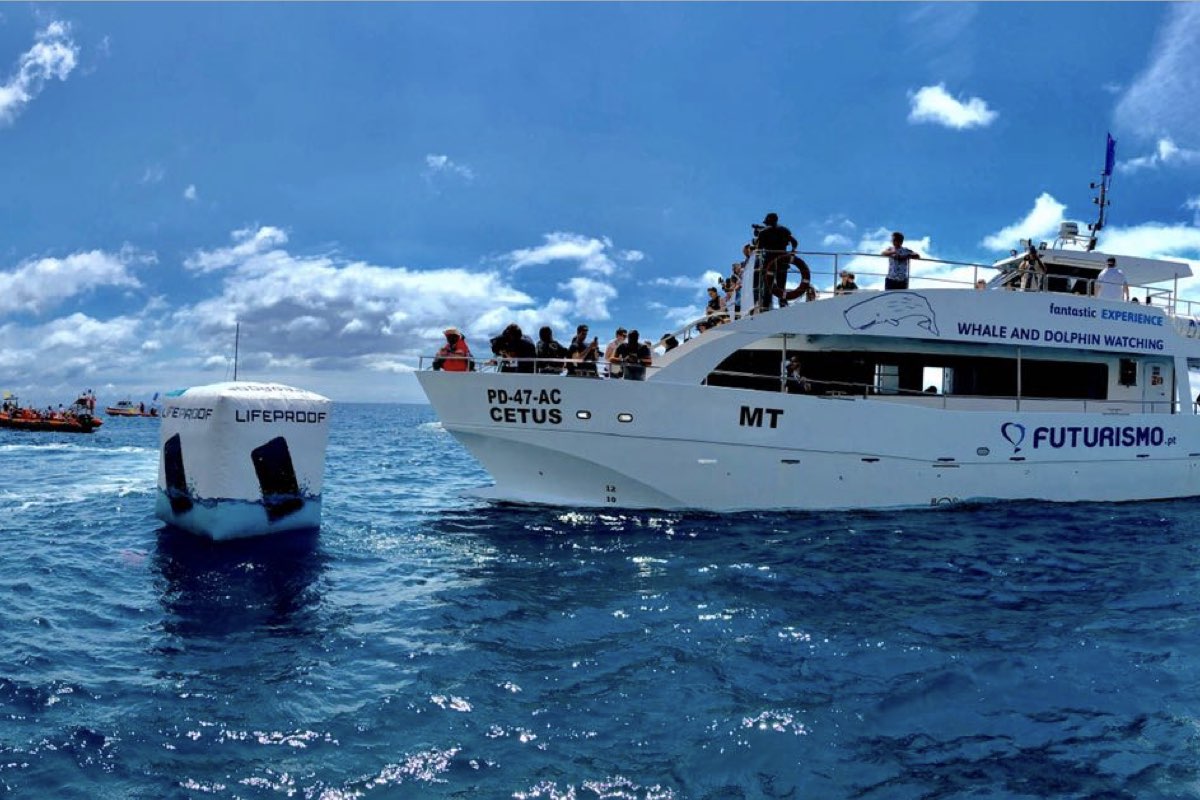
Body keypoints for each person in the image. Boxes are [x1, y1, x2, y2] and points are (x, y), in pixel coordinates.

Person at [754, 212, 798, 311]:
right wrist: (792, 253)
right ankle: (783, 303)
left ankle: (765, 306)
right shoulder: (785, 230)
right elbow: (795, 243)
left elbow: (758, 249)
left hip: (769, 263)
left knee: (767, 286)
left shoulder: (763, 232)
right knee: (781, 285)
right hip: (782, 261)